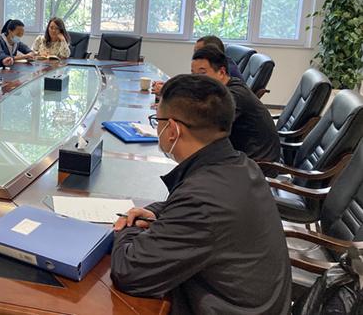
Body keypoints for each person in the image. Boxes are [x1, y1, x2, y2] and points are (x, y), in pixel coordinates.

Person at [111, 74, 291, 315]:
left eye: (157, 121)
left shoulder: (202, 199)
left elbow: (129, 272)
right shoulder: (242, 165)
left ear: (172, 130)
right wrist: (154, 212)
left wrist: (127, 227)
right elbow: (192, 211)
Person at [191, 45, 281, 163]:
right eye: (193, 74)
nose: (196, 80)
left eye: (202, 74)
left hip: (256, 165)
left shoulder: (233, 96)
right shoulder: (228, 85)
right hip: (242, 155)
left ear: (221, 72)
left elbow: (208, 127)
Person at [151, 35, 242, 94]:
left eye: (202, 73)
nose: (196, 54)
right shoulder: (216, 68)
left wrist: (170, 93)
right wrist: (170, 86)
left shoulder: (234, 92)